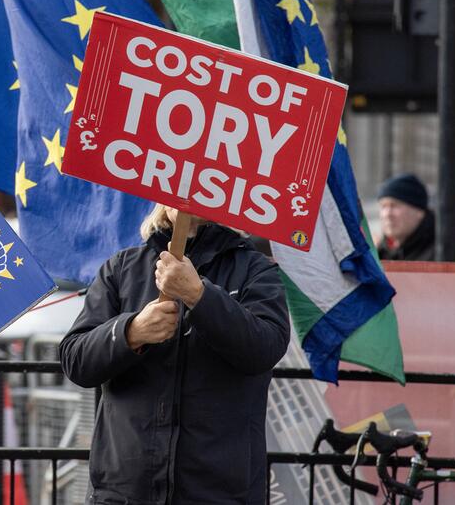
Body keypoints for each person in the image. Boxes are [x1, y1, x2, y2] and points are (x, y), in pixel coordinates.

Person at [59, 204, 290, 504]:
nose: (183, 195)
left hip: (218, 494)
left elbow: (265, 347)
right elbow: (75, 360)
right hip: (125, 493)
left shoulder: (254, 269)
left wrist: (200, 297)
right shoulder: (121, 268)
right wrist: (130, 332)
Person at [376, 173, 434, 261]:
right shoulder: (378, 253)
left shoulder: (441, 253)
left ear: (419, 211)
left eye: (394, 206)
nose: (387, 214)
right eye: (383, 206)